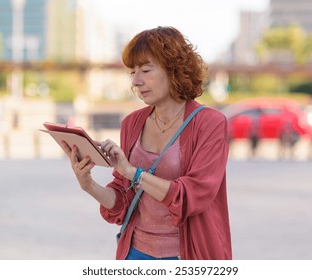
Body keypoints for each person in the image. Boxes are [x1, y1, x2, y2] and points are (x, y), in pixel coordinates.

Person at [61, 26, 232, 260]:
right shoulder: (132, 123)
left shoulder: (210, 123)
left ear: (174, 70)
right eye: (132, 72)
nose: (136, 81)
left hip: (189, 254)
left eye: (145, 70)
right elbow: (122, 200)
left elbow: (194, 195)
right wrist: (88, 185)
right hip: (135, 254)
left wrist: (133, 173)